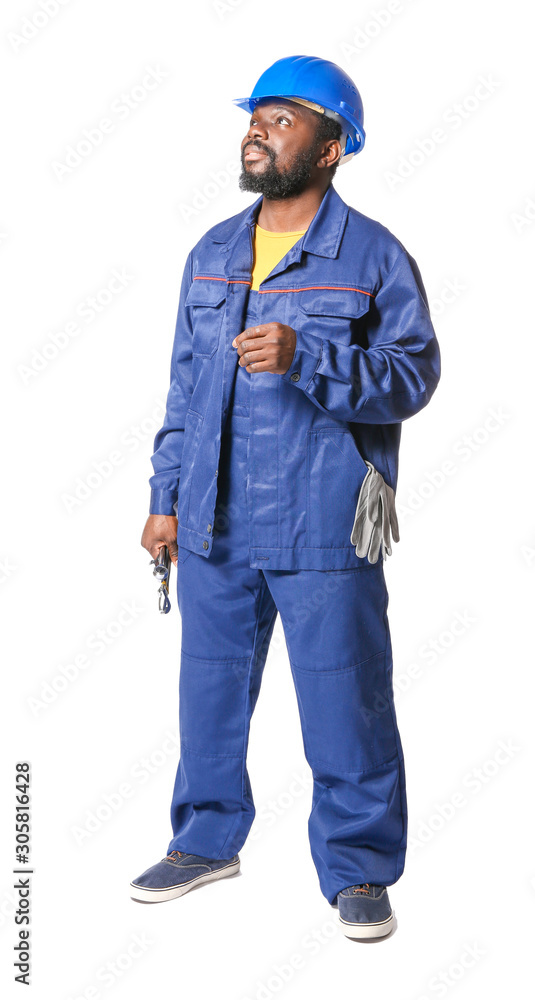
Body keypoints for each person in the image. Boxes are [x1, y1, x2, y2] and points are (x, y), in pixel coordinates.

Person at [130, 55, 441, 940]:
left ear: (333, 147)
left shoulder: (372, 254)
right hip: (213, 516)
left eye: (286, 118)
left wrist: (311, 358)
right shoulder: (215, 251)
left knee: (345, 703)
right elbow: (186, 388)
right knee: (209, 693)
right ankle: (205, 841)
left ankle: (358, 872)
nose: (260, 128)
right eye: (257, 114)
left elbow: (413, 376)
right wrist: (165, 498)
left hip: (323, 524)